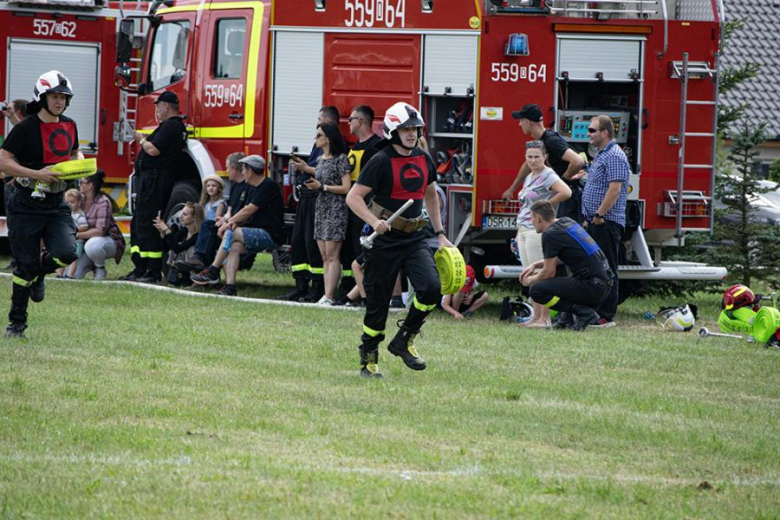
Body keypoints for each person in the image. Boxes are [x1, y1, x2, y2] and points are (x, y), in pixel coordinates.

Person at [346, 102, 453, 378]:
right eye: (406, 129)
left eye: (415, 129)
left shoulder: (423, 159)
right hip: (384, 241)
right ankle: (368, 361)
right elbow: (353, 197)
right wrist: (373, 222)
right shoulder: (380, 161)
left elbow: (430, 195)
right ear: (393, 130)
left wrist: (440, 234)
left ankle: (404, 338)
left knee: (431, 289)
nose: (411, 134)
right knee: (378, 305)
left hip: (415, 237)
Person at [0, 71, 81, 338]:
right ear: (42, 97)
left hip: (56, 203)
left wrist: (78, 164)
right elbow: (4, 161)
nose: (60, 102)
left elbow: (74, 152)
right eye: (55, 96)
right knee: (23, 266)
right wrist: (37, 174)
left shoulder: (69, 125)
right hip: (24, 203)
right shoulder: (25, 128)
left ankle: (41, 271)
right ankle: (17, 324)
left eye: (63, 97)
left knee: (68, 252)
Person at [191, 155, 284, 296]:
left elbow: (248, 210)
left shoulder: (268, 186)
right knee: (234, 247)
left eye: (244, 170)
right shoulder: (253, 187)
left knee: (231, 233)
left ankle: (213, 270)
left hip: (271, 234)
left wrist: (227, 224)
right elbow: (243, 214)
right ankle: (230, 287)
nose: (242, 172)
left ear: (251, 171)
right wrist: (230, 222)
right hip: (256, 231)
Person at [276, 105, 339, 302]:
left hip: (318, 200)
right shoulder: (318, 145)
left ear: (328, 123)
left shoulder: (337, 148)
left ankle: (317, 288)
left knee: (313, 246)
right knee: (298, 243)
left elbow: (330, 173)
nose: (316, 127)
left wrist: (306, 168)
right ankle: (300, 286)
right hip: (306, 198)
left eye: (319, 121)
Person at [123, 90, 187, 283]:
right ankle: (140, 267)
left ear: (166, 107)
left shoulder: (170, 127)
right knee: (139, 221)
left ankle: (151, 271)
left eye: (158, 107)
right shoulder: (170, 127)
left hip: (154, 181)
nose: (157, 111)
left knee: (148, 223)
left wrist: (141, 139)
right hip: (150, 179)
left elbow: (154, 150)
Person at [520, 201, 613, 331]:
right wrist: (535, 265)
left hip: (592, 287)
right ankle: (566, 319)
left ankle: (583, 313)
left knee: (537, 290)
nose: (532, 222)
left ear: (538, 217)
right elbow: (561, 259)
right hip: (604, 283)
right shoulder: (567, 222)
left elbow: (548, 272)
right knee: (560, 276)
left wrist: (529, 281)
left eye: (532, 218)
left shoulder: (550, 234)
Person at [515, 140, 571, 327]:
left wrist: (547, 206)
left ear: (545, 157)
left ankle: (545, 318)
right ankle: (535, 317)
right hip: (523, 227)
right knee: (529, 274)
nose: (533, 161)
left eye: (537, 157)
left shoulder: (548, 175)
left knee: (541, 274)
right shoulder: (530, 176)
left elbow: (566, 192)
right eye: (529, 157)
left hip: (536, 230)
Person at [581, 114, 630, 327]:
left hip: (606, 222)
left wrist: (600, 215)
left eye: (592, 130)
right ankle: (594, 309)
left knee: (607, 268)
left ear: (605, 133)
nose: (588, 134)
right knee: (595, 268)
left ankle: (607, 315)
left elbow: (615, 189)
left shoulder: (615, 156)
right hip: (594, 221)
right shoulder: (601, 154)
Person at [502, 103, 585, 222]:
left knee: (559, 236)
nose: (519, 124)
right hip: (561, 198)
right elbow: (527, 165)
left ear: (528, 122)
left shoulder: (551, 140)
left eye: (521, 121)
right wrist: (511, 189)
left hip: (567, 199)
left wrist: (563, 180)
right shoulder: (541, 141)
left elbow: (577, 161)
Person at [302, 123, 351, 305]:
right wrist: (306, 169)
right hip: (321, 208)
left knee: (332, 254)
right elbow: (319, 172)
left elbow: (347, 187)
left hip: (335, 208)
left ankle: (330, 295)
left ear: (328, 138)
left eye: (319, 135)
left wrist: (322, 186)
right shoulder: (321, 159)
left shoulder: (341, 159)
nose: (316, 138)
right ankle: (326, 294)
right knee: (324, 255)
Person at [339, 105, 383, 297]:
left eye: (350, 119)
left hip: (369, 210)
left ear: (360, 121)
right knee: (352, 251)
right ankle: (352, 291)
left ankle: (367, 296)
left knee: (365, 253)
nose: (348, 123)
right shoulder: (354, 147)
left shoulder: (377, 147)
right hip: (353, 207)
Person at [177, 152, 246, 273]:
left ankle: (199, 260)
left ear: (234, 169)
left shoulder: (246, 187)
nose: (226, 170)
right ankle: (186, 264)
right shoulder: (235, 186)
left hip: (233, 225)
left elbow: (243, 211)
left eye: (228, 167)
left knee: (207, 227)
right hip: (226, 223)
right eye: (208, 186)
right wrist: (225, 218)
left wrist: (223, 221)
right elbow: (230, 209)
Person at [73, 170, 126, 280]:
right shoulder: (79, 200)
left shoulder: (103, 202)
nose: (79, 185)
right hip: (84, 243)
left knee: (93, 246)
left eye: (82, 182)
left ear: (90, 185)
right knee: (73, 275)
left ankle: (100, 268)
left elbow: (100, 231)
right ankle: (91, 263)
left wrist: (77, 235)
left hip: (107, 240)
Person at [154, 201, 204, 286]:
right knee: (173, 245)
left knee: (189, 249)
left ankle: (195, 281)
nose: (180, 216)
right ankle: (175, 275)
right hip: (186, 268)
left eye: (185, 214)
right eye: (181, 213)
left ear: (194, 218)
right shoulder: (185, 230)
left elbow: (178, 249)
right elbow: (167, 248)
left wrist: (168, 231)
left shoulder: (198, 235)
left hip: (199, 268)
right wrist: (163, 233)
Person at [61, 188, 88, 278]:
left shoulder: (79, 215)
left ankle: (70, 275)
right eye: (67, 202)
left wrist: (74, 230)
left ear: (79, 203)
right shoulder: (66, 214)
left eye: (72, 202)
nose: (69, 205)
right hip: (66, 240)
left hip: (77, 241)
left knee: (73, 259)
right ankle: (59, 274)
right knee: (62, 257)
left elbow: (84, 227)